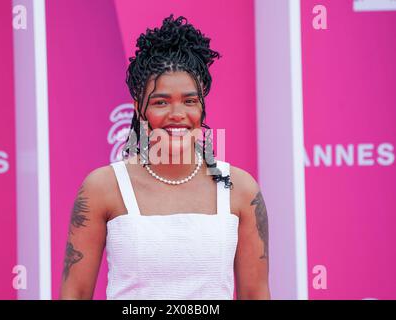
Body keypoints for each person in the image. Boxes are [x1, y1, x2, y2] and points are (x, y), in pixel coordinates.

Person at [60, 14, 270, 300]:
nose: (177, 114)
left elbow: (255, 294)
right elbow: (76, 293)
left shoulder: (241, 189)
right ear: (138, 107)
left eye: (189, 100)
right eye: (161, 102)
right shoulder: (102, 188)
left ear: (202, 105)